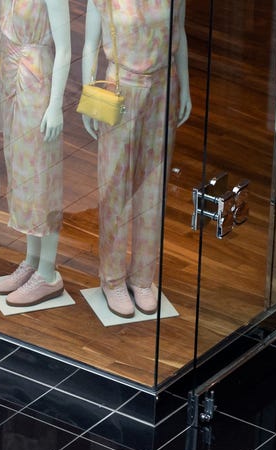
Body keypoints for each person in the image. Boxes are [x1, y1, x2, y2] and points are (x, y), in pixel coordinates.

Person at [81, 0, 191, 318]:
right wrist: (90, 96)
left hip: (162, 86)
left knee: (154, 184)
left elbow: (179, 32)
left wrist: (184, 85)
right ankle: (112, 278)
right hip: (120, 87)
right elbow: (89, 44)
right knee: (114, 184)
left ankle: (144, 276)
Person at [0, 0, 73, 308]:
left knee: (42, 174)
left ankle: (48, 272)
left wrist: (55, 106)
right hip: (12, 75)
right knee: (21, 170)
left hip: (37, 79)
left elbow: (64, 48)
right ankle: (32, 258)